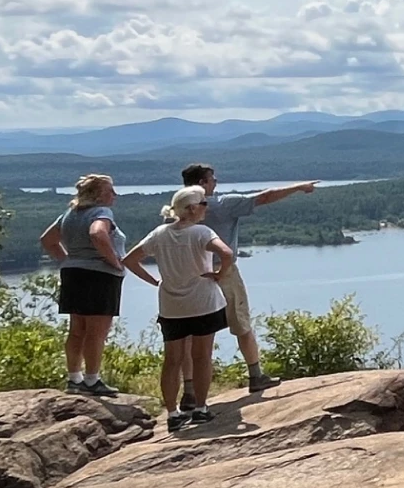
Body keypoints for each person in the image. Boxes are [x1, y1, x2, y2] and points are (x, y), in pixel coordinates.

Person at [176, 163, 317, 403]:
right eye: (212, 179)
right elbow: (264, 197)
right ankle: (255, 375)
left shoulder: (178, 210)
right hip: (223, 270)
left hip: (191, 275)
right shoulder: (221, 205)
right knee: (240, 321)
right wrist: (298, 187)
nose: (216, 182)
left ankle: (189, 392)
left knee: (190, 334)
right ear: (202, 183)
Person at [121, 186, 233, 431]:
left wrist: (156, 282)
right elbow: (227, 254)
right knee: (202, 356)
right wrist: (218, 275)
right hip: (203, 302)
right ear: (192, 208)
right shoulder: (202, 232)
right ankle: (201, 409)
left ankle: (172, 413)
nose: (206, 207)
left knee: (172, 360)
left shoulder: (160, 233)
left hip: (171, 306)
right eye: (203, 203)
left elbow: (129, 260)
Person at [38, 174, 130, 398]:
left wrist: (68, 259)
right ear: (98, 195)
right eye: (111, 191)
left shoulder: (70, 214)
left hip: (73, 274)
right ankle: (92, 380)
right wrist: (114, 262)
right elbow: (97, 233)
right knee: (97, 332)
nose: (115, 195)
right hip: (99, 277)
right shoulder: (101, 212)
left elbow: (47, 240)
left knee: (77, 329)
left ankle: (74, 378)